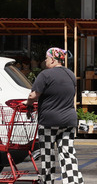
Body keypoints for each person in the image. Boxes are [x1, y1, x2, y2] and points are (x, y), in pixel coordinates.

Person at [26, 47, 84, 184]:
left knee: (47, 154)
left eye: (46, 58)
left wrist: (28, 103)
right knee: (67, 153)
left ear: (52, 59)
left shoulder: (45, 75)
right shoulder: (71, 75)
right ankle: (73, 181)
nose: (45, 61)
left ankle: (47, 180)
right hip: (68, 121)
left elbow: (33, 95)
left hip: (49, 122)